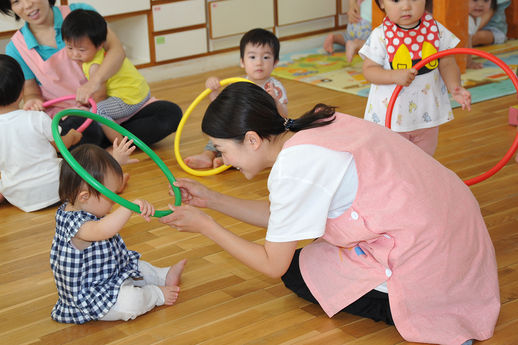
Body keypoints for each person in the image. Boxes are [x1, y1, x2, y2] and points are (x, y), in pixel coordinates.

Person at [159, 82, 500, 345]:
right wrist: (212, 200)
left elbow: (271, 263)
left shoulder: (294, 166)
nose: (222, 160)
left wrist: (206, 226)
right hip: (453, 231)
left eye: (222, 149)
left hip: (427, 253)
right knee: (306, 260)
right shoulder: (317, 124)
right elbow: (283, 216)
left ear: (251, 140)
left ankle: (417, 307)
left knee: (293, 272)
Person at [0, 0, 182, 147]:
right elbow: (32, 92)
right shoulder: (16, 47)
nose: (27, 5)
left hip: (113, 103)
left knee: (169, 114)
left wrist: (94, 82)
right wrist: (33, 101)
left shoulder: (80, 12)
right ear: (11, 8)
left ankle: (98, 144)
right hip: (74, 116)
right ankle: (112, 139)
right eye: (16, 2)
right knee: (79, 129)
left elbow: (117, 50)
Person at [50, 144, 187, 324]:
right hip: (93, 296)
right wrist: (129, 207)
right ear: (84, 197)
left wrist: (116, 162)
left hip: (112, 271)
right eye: (112, 195)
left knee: (139, 266)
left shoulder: (85, 203)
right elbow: (102, 230)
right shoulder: (76, 225)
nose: (115, 201)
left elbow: (98, 184)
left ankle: (164, 275)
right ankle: (156, 294)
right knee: (132, 301)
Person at [359, 0, 472, 156]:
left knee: (423, 162)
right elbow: (369, 70)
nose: (406, 6)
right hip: (391, 120)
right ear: (382, 3)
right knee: (396, 164)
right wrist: (394, 76)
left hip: (427, 115)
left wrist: (455, 87)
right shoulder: (381, 35)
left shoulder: (436, 29)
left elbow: (447, 62)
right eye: (396, 0)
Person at [184, 28, 288, 169]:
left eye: (266, 57)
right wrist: (213, 92)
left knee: (268, 141)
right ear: (242, 62)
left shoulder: (275, 88)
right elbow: (222, 113)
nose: (259, 63)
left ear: (275, 62)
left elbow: (284, 117)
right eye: (252, 57)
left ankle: (227, 160)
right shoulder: (237, 85)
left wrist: (274, 100)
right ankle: (208, 155)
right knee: (221, 133)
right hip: (239, 131)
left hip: (260, 133)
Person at [0, 54, 82, 211]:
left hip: (19, 196)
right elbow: (60, 146)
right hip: (57, 188)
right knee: (82, 162)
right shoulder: (36, 118)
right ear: (22, 91)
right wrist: (72, 136)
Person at [61, 9, 152, 144]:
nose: (75, 54)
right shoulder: (94, 55)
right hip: (139, 90)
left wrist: (87, 107)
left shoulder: (94, 66)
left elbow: (100, 96)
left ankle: (121, 148)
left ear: (99, 46)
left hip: (130, 98)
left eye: (81, 50)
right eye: (69, 48)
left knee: (98, 112)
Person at [468, 0, 497, 69]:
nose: (480, 4)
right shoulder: (467, 19)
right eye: (475, 0)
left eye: (486, 0)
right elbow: (466, 42)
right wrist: (469, 63)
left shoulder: (477, 18)